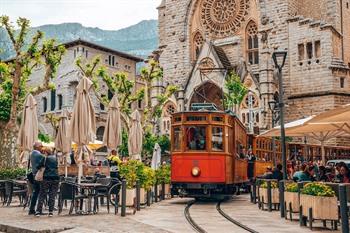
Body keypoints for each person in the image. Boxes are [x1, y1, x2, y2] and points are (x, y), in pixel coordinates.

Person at [35, 147, 60, 217]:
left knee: (42, 194)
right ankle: (50, 212)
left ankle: (38, 211)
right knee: (52, 195)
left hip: (46, 178)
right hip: (56, 178)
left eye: (44, 152)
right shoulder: (56, 158)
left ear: (46, 152)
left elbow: (38, 166)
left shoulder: (45, 158)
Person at [28, 142, 44, 215]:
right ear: (37, 147)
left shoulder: (31, 154)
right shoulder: (39, 155)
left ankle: (32, 209)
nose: (42, 147)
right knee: (41, 192)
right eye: (41, 146)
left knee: (35, 192)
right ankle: (38, 210)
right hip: (39, 176)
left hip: (34, 175)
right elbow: (43, 165)